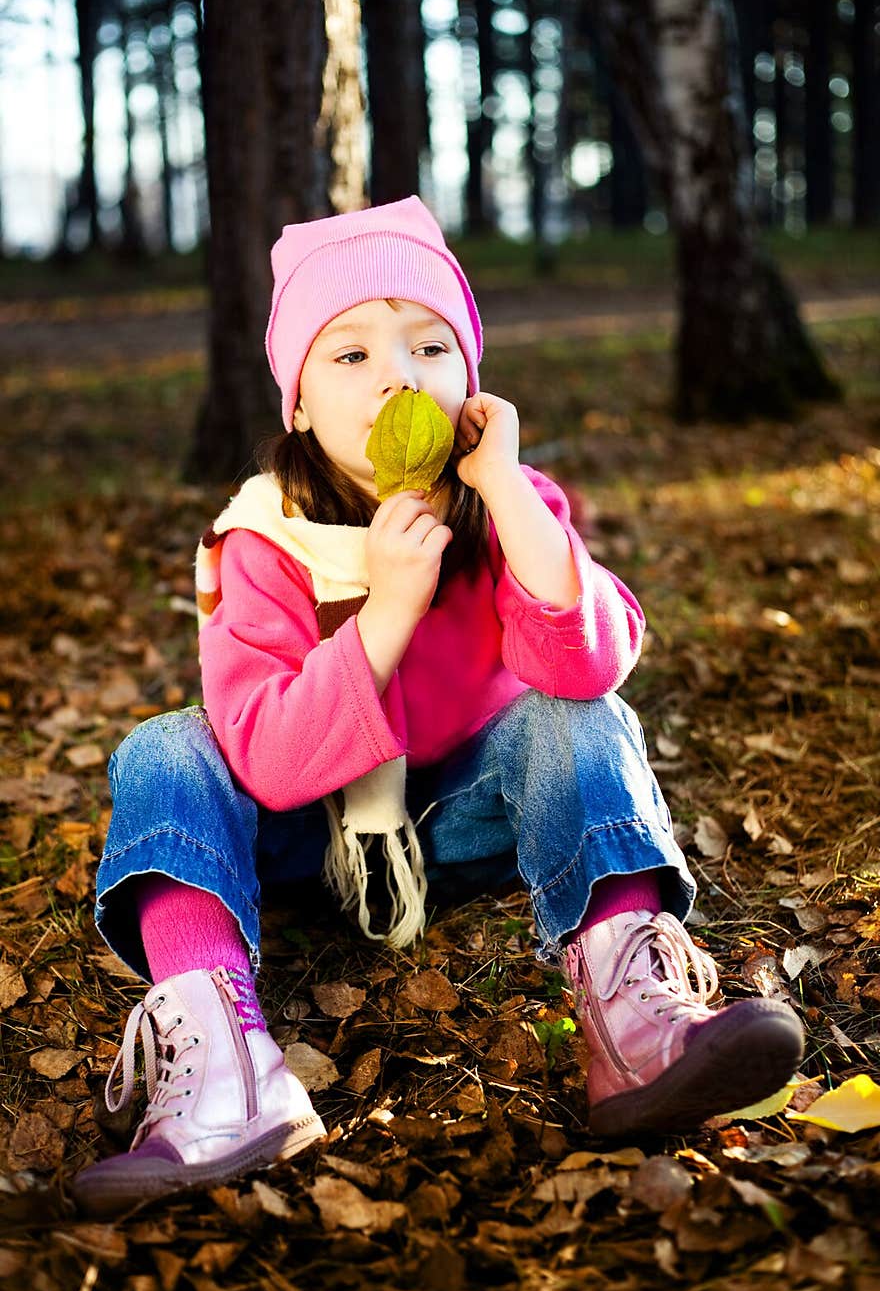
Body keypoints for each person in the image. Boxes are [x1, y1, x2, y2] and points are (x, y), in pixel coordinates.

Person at [72, 196, 805, 1218]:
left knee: (571, 714)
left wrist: (504, 491)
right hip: (297, 841)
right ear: (295, 401)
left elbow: (589, 662)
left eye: (428, 345)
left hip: (469, 824)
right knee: (165, 748)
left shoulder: (508, 502)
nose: (397, 375)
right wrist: (384, 612)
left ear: (469, 379)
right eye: (351, 354)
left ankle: (634, 1017)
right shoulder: (261, 540)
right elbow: (272, 760)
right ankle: (226, 1074)